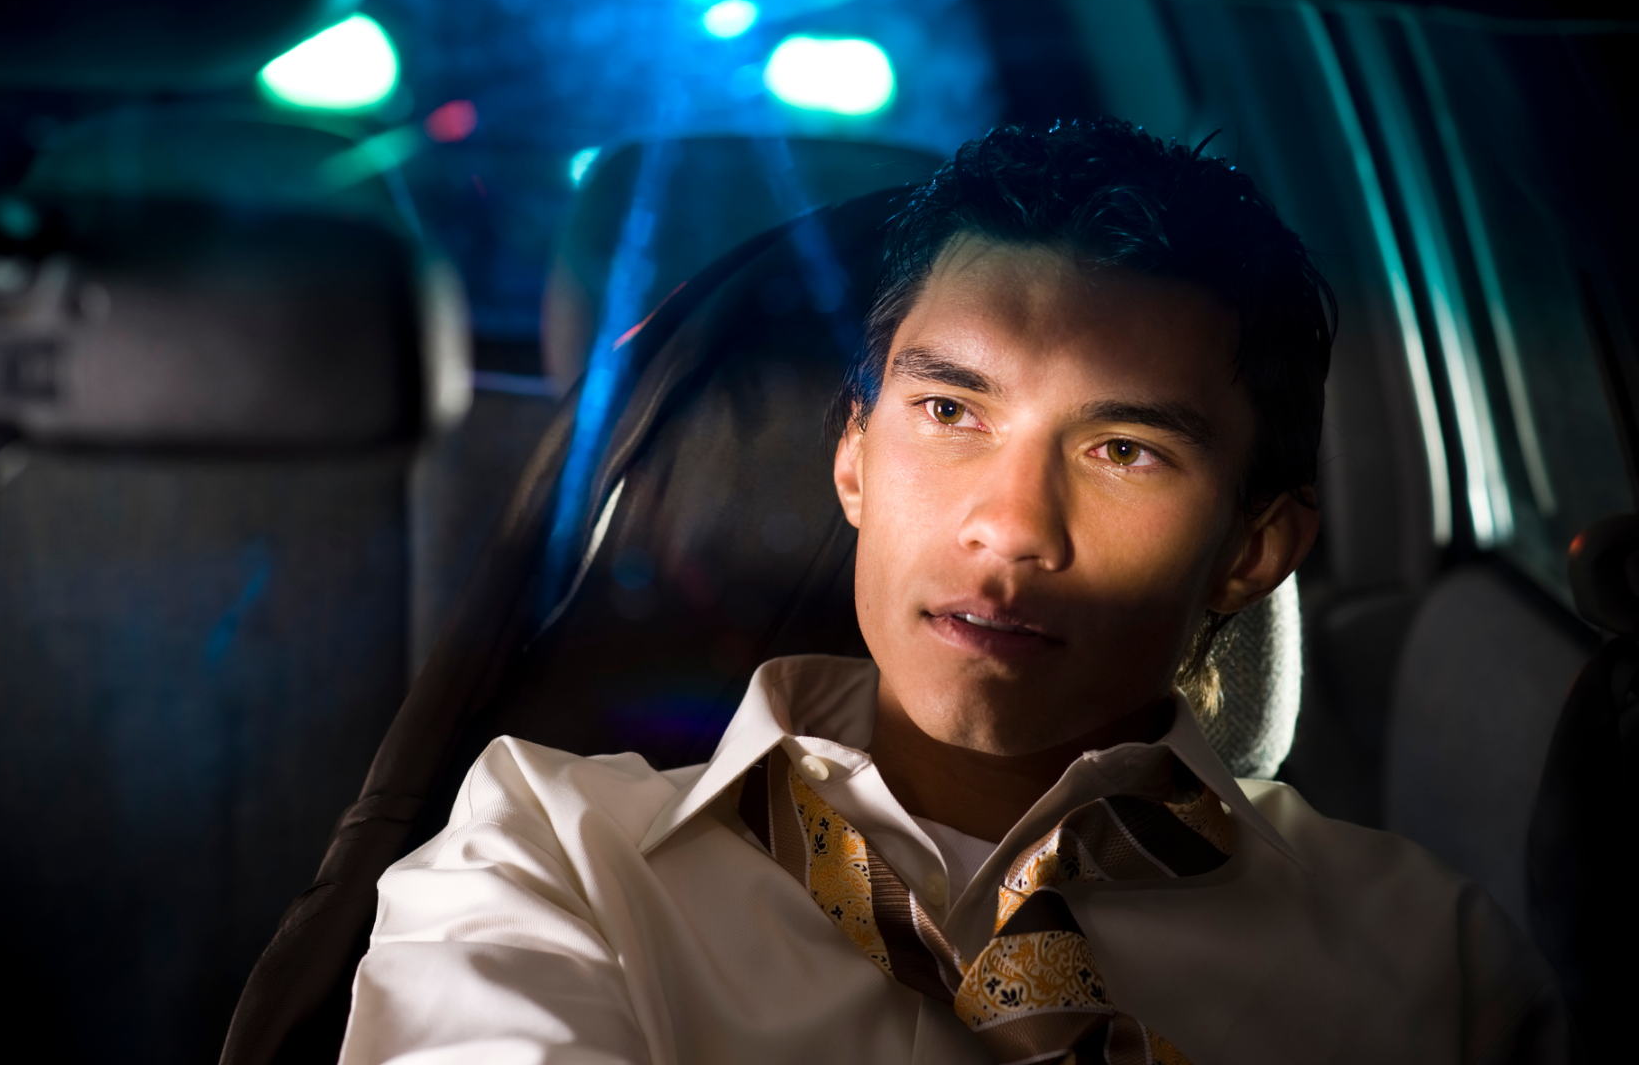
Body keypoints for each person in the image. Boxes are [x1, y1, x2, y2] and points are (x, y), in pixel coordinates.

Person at [341, 120, 1566, 1064]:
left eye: (1123, 449)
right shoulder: (547, 855)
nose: (1010, 527)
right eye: (950, 410)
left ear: (1253, 549)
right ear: (853, 458)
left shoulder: (1426, 962)